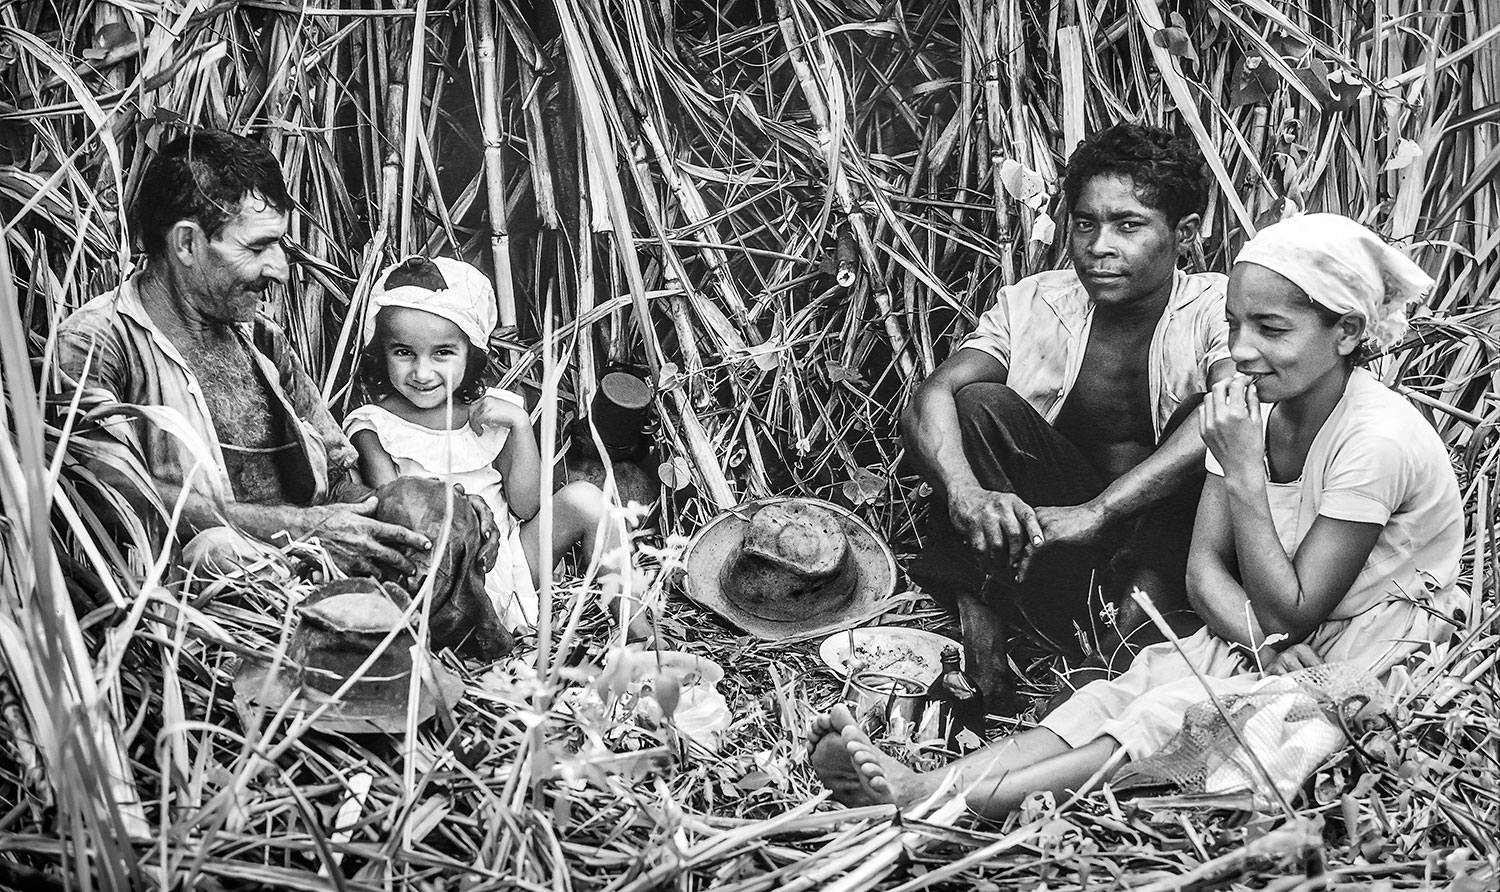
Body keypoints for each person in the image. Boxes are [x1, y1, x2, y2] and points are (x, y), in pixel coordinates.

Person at [811, 213, 1464, 818]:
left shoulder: (1373, 441)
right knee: (1124, 692)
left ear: (1347, 331)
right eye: (1234, 324)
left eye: (1271, 330)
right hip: (1256, 629)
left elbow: (1293, 609)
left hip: (1366, 652)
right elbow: (1204, 570)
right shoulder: (1252, 409)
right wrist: (1260, 639)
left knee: (1177, 716)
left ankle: (951, 805)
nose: (1241, 349)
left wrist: (1240, 472)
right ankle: (931, 785)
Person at [56, 130, 489, 581]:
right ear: (186, 244)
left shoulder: (263, 340)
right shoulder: (95, 343)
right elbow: (107, 488)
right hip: (196, 602)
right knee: (217, 550)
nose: (280, 269)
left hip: (313, 570)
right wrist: (301, 529)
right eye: (257, 246)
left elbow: (340, 479)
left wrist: (436, 508)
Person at [903, 123, 1233, 702]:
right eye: (1085, 223)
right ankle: (986, 654)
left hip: (1165, 555)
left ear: (1184, 234)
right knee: (976, 403)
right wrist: (963, 491)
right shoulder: (1034, 302)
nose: (1099, 245)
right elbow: (931, 395)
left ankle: (1111, 660)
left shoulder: (1215, 305)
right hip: (1048, 548)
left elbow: (1235, 407)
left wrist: (1101, 510)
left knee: (1210, 415)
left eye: (1128, 225)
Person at [345, 255, 637, 635]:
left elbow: (526, 505)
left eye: (443, 353)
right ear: (381, 352)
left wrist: (518, 426)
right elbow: (393, 515)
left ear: (471, 354)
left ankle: (636, 630)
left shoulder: (492, 413)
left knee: (586, 500)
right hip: (438, 581)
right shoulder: (373, 426)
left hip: (510, 569)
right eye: (403, 352)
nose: (422, 372)